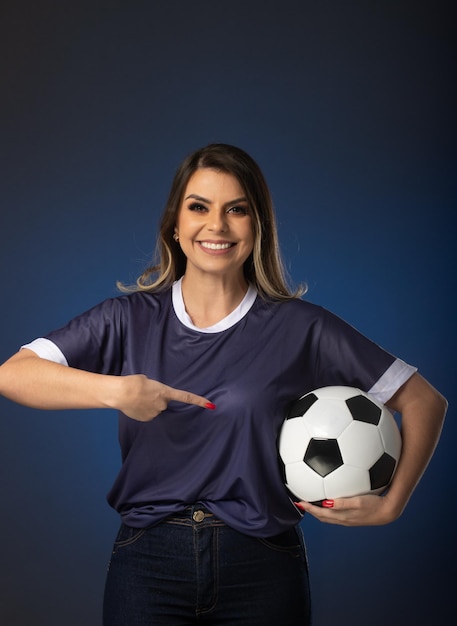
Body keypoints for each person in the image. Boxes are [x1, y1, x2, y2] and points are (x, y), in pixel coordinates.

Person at [0, 143, 447, 625]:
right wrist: (116, 392)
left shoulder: (301, 328)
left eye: (237, 209)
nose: (217, 225)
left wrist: (390, 505)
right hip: (148, 561)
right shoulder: (128, 319)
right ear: (175, 224)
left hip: (262, 564)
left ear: (257, 227)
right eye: (199, 207)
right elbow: (13, 374)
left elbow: (424, 401)